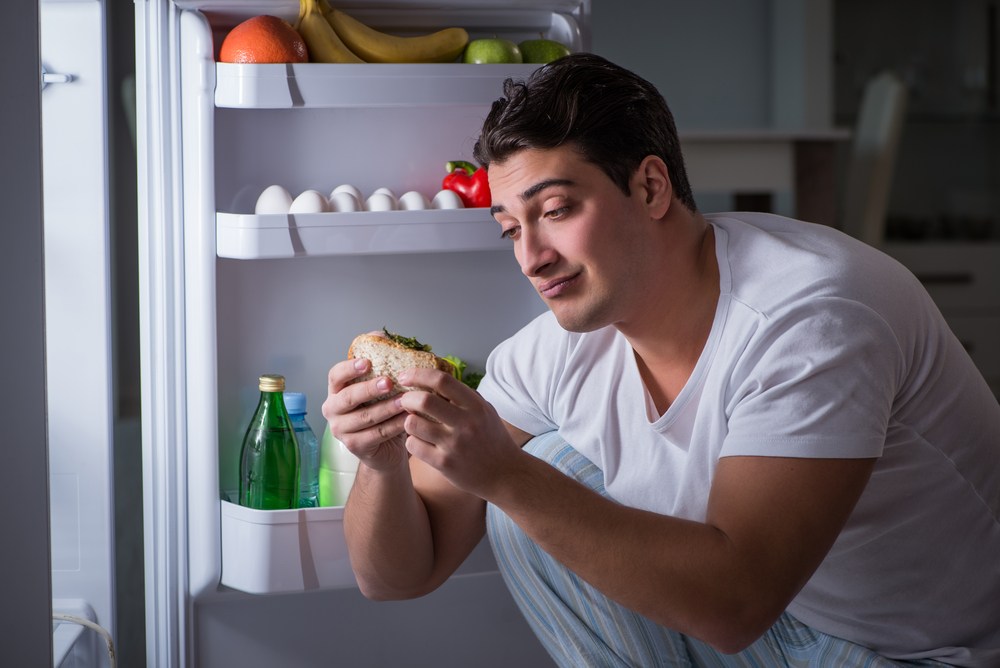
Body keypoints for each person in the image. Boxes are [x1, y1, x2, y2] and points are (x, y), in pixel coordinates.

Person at [322, 54, 1000, 667]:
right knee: (546, 475)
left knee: (533, 481)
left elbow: (736, 604)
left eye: (555, 210)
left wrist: (502, 471)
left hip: (914, 652)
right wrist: (383, 465)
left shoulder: (812, 317)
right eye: (510, 229)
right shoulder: (551, 352)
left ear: (650, 188)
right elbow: (396, 578)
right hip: (772, 628)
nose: (532, 257)